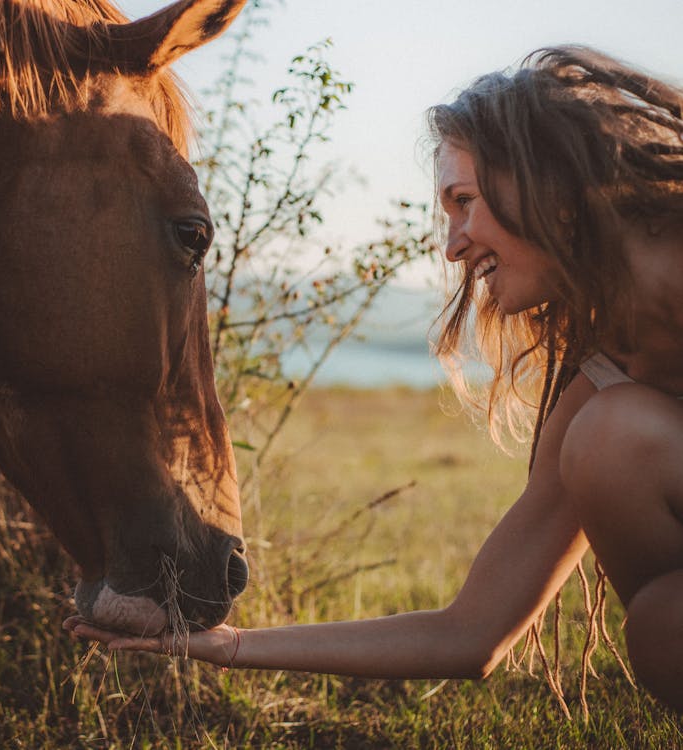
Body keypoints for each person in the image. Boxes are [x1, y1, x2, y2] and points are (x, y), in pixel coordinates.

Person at [64, 45, 683, 712]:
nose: (451, 244)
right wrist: (229, 646)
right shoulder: (604, 389)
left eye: (464, 201)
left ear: (550, 183)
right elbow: (470, 633)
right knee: (657, 616)